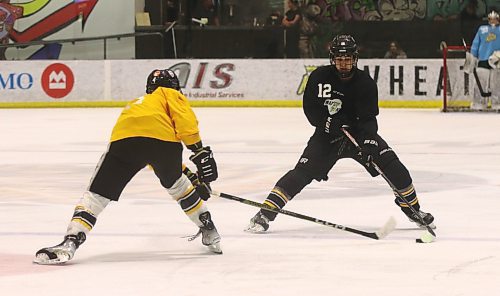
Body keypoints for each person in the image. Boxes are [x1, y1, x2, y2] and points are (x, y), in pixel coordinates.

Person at [246, 34, 436, 233]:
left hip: (359, 135)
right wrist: (329, 124)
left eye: (347, 59)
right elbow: (311, 110)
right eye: (339, 59)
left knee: (395, 169)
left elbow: (369, 119)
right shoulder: (319, 77)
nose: (343, 63)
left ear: (355, 58)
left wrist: (370, 144)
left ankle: (414, 210)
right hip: (327, 137)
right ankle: (265, 212)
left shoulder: (365, 82)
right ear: (332, 58)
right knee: (301, 173)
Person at [34, 69, 222, 265]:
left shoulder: (137, 103)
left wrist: (190, 174)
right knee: (179, 187)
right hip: (164, 146)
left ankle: (70, 242)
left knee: (96, 195)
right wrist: (198, 151)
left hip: (124, 142)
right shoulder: (170, 94)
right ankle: (209, 229)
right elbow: (180, 130)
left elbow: (144, 145)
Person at [467, 10, 500, 110]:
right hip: (483, 60)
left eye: (495, 19)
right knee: (480, 83)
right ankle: (479, 102)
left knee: (497, 84)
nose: (493, 21)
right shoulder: (482, 29)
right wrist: (472, 58)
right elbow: (475, 45)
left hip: (497, 61)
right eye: (491, 19)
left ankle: (497, 103)